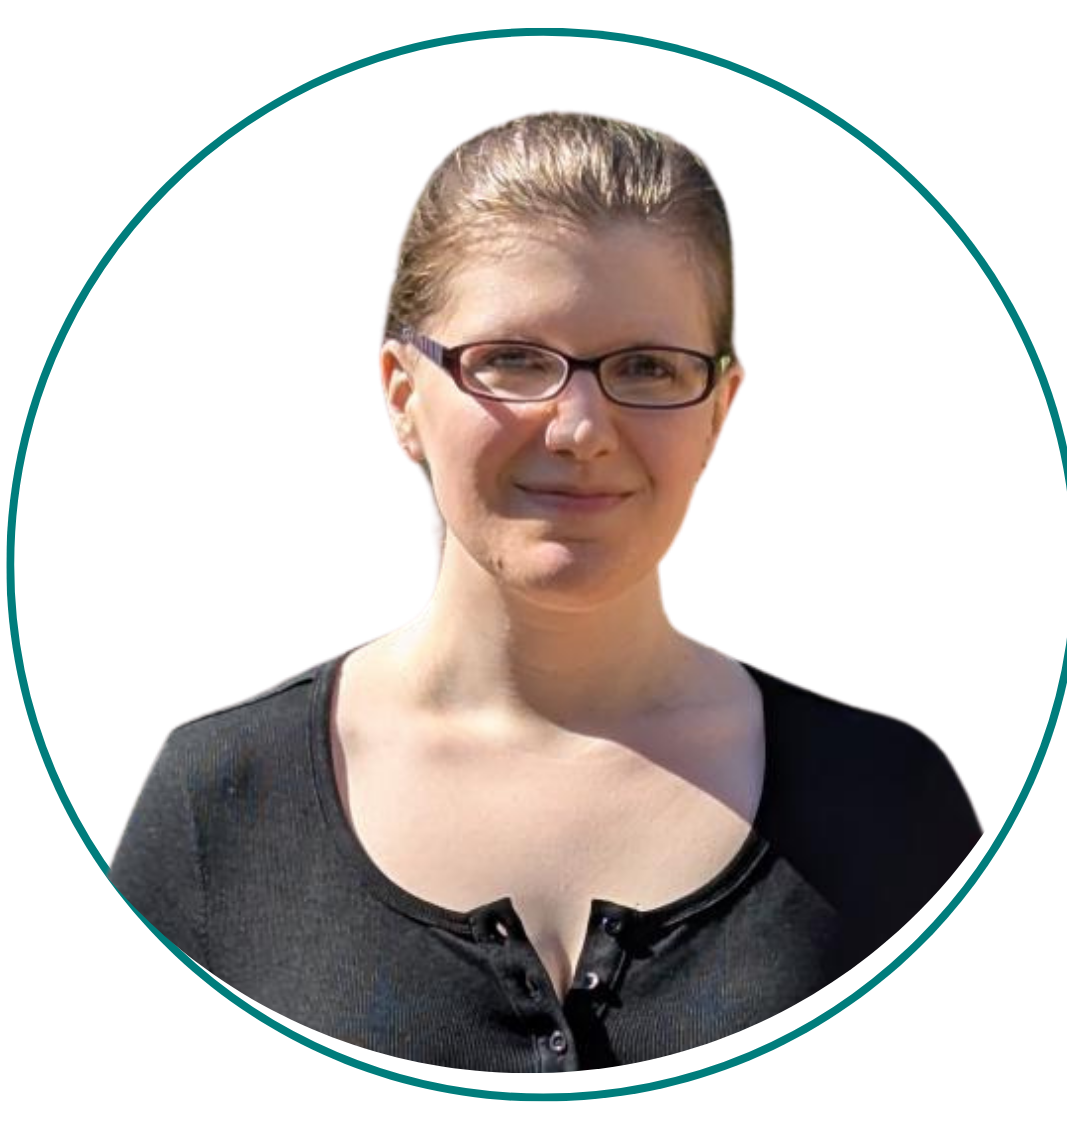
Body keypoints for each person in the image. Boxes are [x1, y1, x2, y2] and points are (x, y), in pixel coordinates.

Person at [109, 111, 981, 1073]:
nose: (579, 428)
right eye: (514, 360)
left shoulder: (892, 804)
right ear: (403, 394)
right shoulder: (223, 807)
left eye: (649, 367)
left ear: (720, 408)